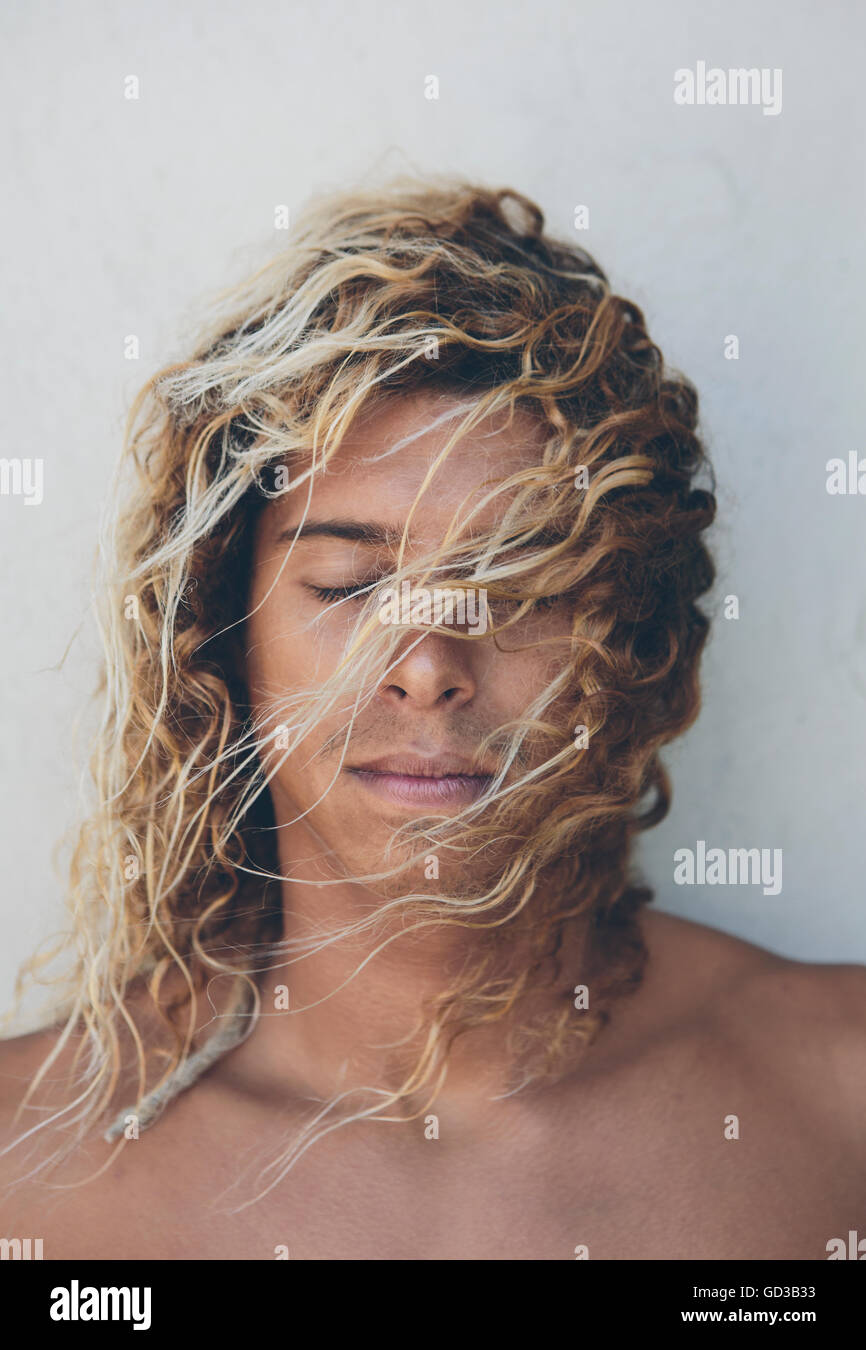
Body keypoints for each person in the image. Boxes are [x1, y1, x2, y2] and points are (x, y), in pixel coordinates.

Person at [1, 179, 864, 1261]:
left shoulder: (839, 1097)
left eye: (517, 584)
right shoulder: (26, 1171)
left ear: (633, 639)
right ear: (224, 633)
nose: (425, 670)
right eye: (350, 585)